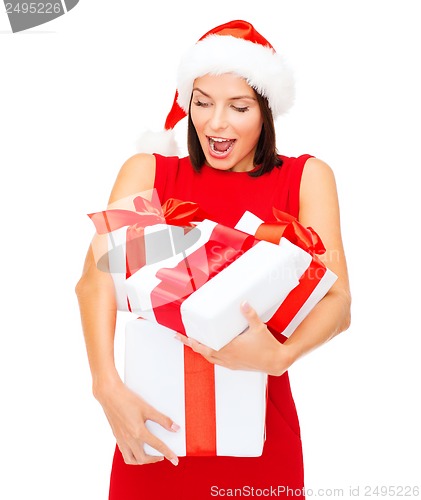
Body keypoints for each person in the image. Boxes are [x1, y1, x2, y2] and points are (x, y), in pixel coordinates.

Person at [75, 20, 351, 500]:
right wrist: (107, 389)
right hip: (152, 428)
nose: (215, 123)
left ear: (265, 111)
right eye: (202, 102)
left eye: (238, 107)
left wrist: (282, 356)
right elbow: (97, 279)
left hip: (262, 435)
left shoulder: (305, 178)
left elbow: (339, 301)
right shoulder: (150, 174)